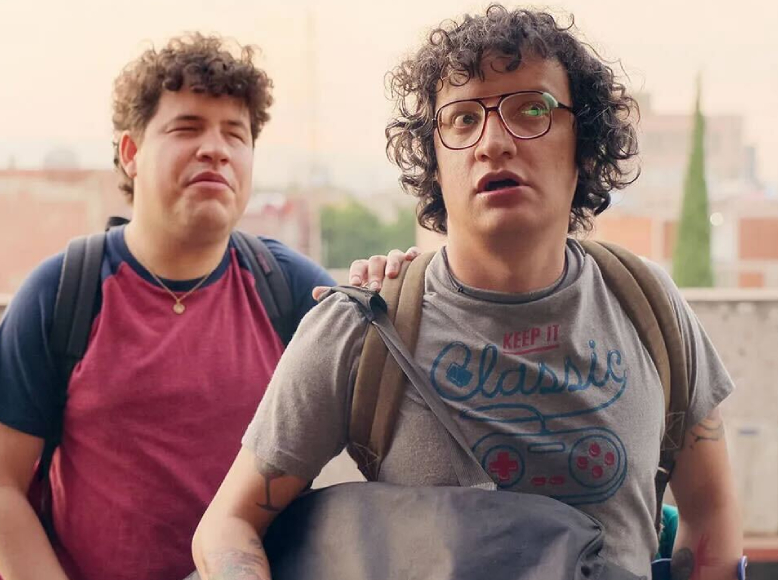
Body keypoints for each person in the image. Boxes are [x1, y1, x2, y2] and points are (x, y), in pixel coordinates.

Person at [193, 6, 743, 580]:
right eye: (462, 119)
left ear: (584, 145)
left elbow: (711, 511)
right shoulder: (364, 326)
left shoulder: (647, 304)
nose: (493, 143)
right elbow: (229, 524)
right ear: (434, 162)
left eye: (532, 109)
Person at [0, 33, 414, 580]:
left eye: (235, 134)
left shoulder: (291, 290)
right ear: (131, 153)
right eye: (187, 128)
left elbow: (401, 426)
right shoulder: (63, 291)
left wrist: (401, 292)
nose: (215, 149)